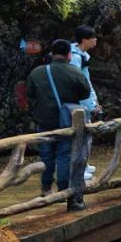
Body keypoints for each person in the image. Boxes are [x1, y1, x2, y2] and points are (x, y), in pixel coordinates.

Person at [25, 39, 91, 200]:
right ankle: (63, 189)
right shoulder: (74, 72)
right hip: (67, 120)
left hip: (44, 119)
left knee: (46, 154)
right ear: (69, 55)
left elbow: (30, 93)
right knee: (64, 154)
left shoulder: (36, 73)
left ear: (52, 54)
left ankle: (46, 187)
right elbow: (85, 93)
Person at [69, 25, 101, 182]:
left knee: (85, 135)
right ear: (84, 40)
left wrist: (94, 100)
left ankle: (84, 164)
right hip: (79, 104)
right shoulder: (76, 58)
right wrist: (91, 105)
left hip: (84, 101)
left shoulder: (81, 55)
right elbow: (80, 83)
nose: (95, 40)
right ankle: (79, 168)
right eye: (92, 37)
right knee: (82, 136)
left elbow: (86, 81)